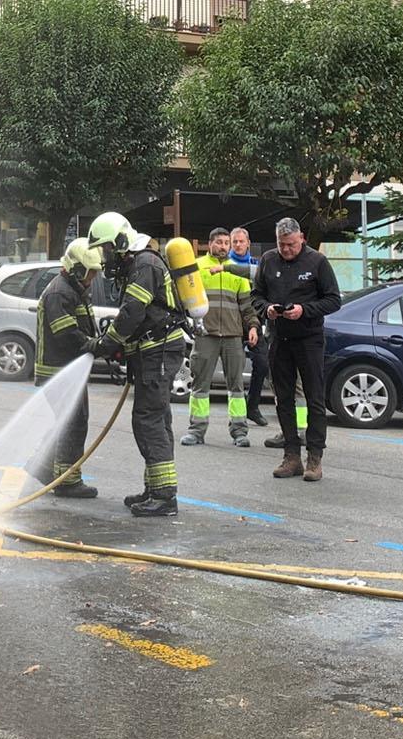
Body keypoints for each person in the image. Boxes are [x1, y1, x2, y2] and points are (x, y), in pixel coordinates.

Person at [87, 211, 190, 517]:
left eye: (106, 249)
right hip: (152, 351)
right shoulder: (138, 264)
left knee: (148, 420)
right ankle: (156, 488)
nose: (105, 257)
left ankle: (164, 496)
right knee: (156, 418)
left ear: (120, 242)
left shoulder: (145, 263)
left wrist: (108, 343)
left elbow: (133, 310)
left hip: (158, 351)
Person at [253, 218, 341, 482]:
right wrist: (266, 309)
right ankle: (291, 455)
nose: (287, 250)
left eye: (291, 244)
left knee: (314, 398)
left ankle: (315, 456)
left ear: (301, 238)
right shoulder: (268, 260)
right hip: (280, 339)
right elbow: (255, 295)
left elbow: (334, 300)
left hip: (309, 339)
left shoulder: (317, 262)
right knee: (283, 399)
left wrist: (305, 311)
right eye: (282, 245)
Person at [30, 238, 104, 499]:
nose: (92, 277)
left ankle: (43, 466)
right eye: (89, 272)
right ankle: (68, 481)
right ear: (75, 267)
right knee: (74, 423)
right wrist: (95, 345)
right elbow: (67, 334)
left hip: (66, 369)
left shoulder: (73, 289)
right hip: (58, 371)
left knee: (67, 422)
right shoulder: (60, 292)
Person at [181, 227, 259, 448]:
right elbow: (185, 298)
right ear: (210, 243)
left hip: (233, 336)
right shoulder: (198, 267)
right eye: (220, 242)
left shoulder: (236, 271)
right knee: (200, 386)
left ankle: (239, 432)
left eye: (227, 242)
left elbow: (247, 305)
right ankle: (196, 430)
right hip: (206, 334)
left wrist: (253, 326)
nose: (224, 246)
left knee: (236, 388)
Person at [230, 226, 270, 427]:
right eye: (234, 241)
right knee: (234, 370)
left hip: (253, 321)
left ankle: (252, 406)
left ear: (248, 243)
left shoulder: (257, 266)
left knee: (263, 364)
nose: (237, 244)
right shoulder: (225, 265)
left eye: (241, 241)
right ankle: (236, 415)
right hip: (231, 323)